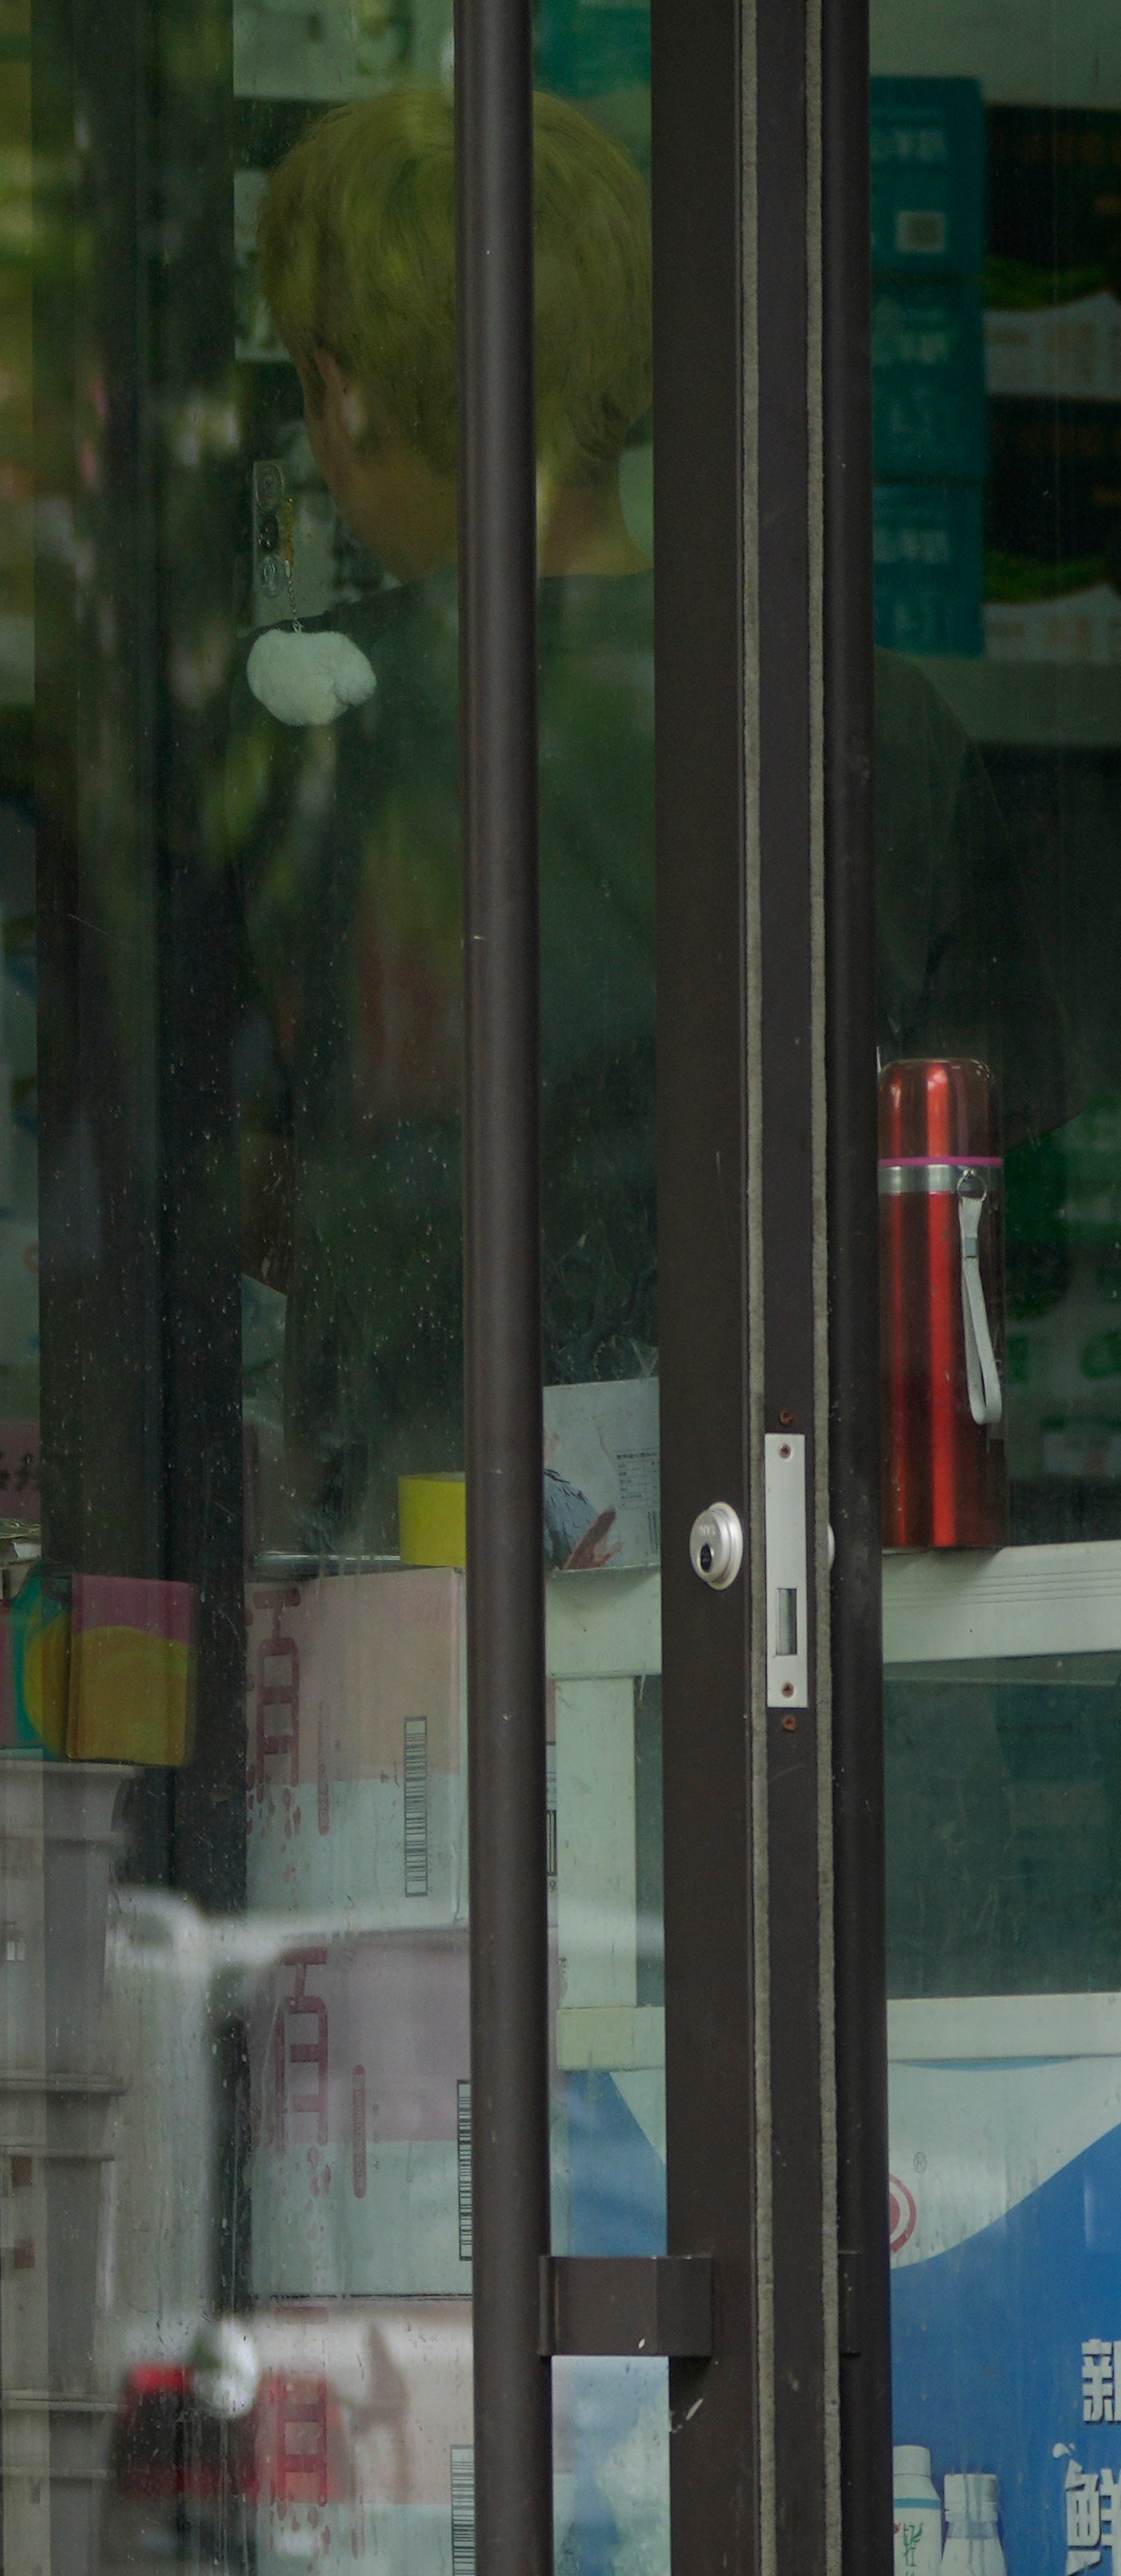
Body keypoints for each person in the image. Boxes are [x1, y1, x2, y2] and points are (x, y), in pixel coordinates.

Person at [240, 84, 1045, 1553]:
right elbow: (999, 1216)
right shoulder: (870, 722)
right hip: (836, 1615)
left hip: (434, 1600)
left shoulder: (312, 739)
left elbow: (233, 1196)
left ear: (338, 393)